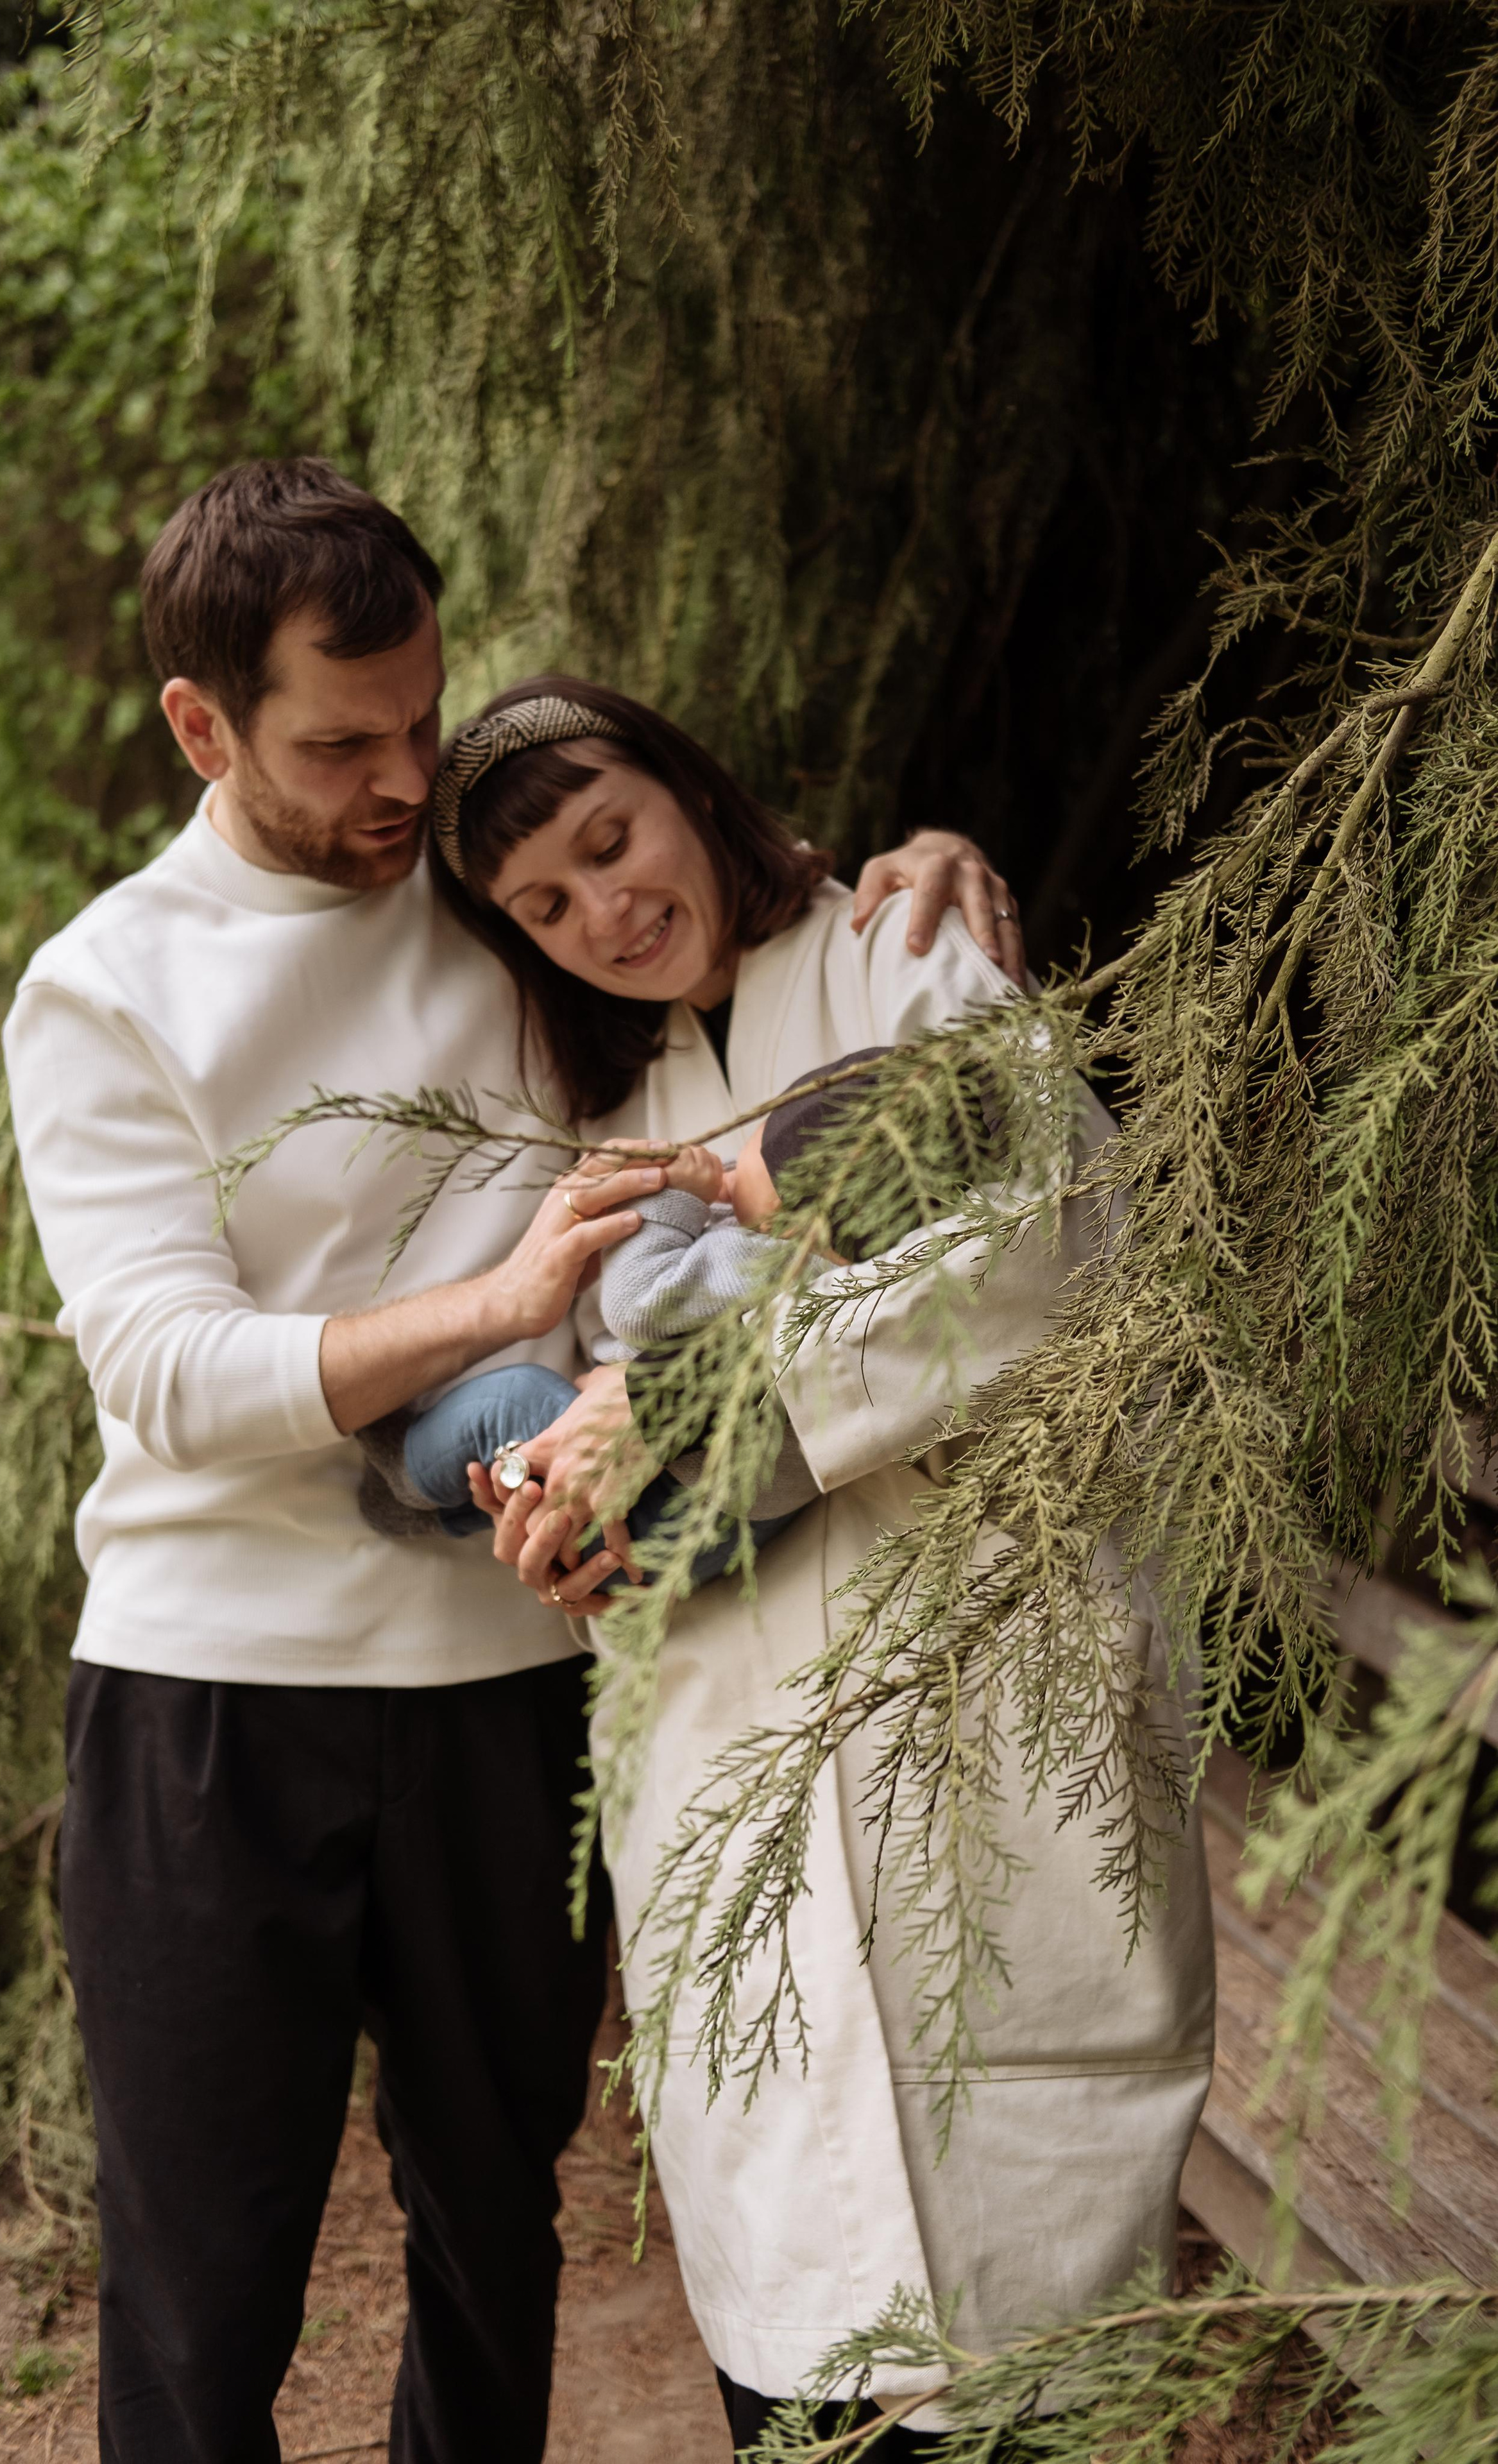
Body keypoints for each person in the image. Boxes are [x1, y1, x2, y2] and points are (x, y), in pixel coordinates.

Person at [0, 456, 1019, 2464]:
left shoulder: (494, 907)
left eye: (419, 717)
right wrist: (489, 1309)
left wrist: (916, 862)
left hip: (509, 1681)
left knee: (496, 2233)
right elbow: (167, 1366)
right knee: (204, 2282)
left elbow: (723, 923)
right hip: (215, 1687)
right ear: (203, 725)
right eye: (338, 741)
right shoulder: (107, 981)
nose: (400, 774)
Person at [430, 678, 1217, 2459]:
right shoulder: (604, 1113)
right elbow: (575, 1400)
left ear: (687, 788)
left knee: (1023, 2345)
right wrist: (580, 1509)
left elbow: (1037, 1249)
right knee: (799, 2360)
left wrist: (706, 1395)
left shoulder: (903, 953)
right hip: (732, 1755)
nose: (604, 908)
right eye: (546, 903)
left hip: (988, 1720)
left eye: (610, 839)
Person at [352, 1048, 910, 1582]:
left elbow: (636, 1306)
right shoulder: (845, 1272)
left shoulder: (769, 1261)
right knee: (526, 1460)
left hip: (666, 1503)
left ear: (798, 1226)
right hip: (722, 1526)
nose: (729, 1170)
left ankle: (405, 1472)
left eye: (746, 1168)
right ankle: (443, 1511)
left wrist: (673, 1201)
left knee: (512, 1401)